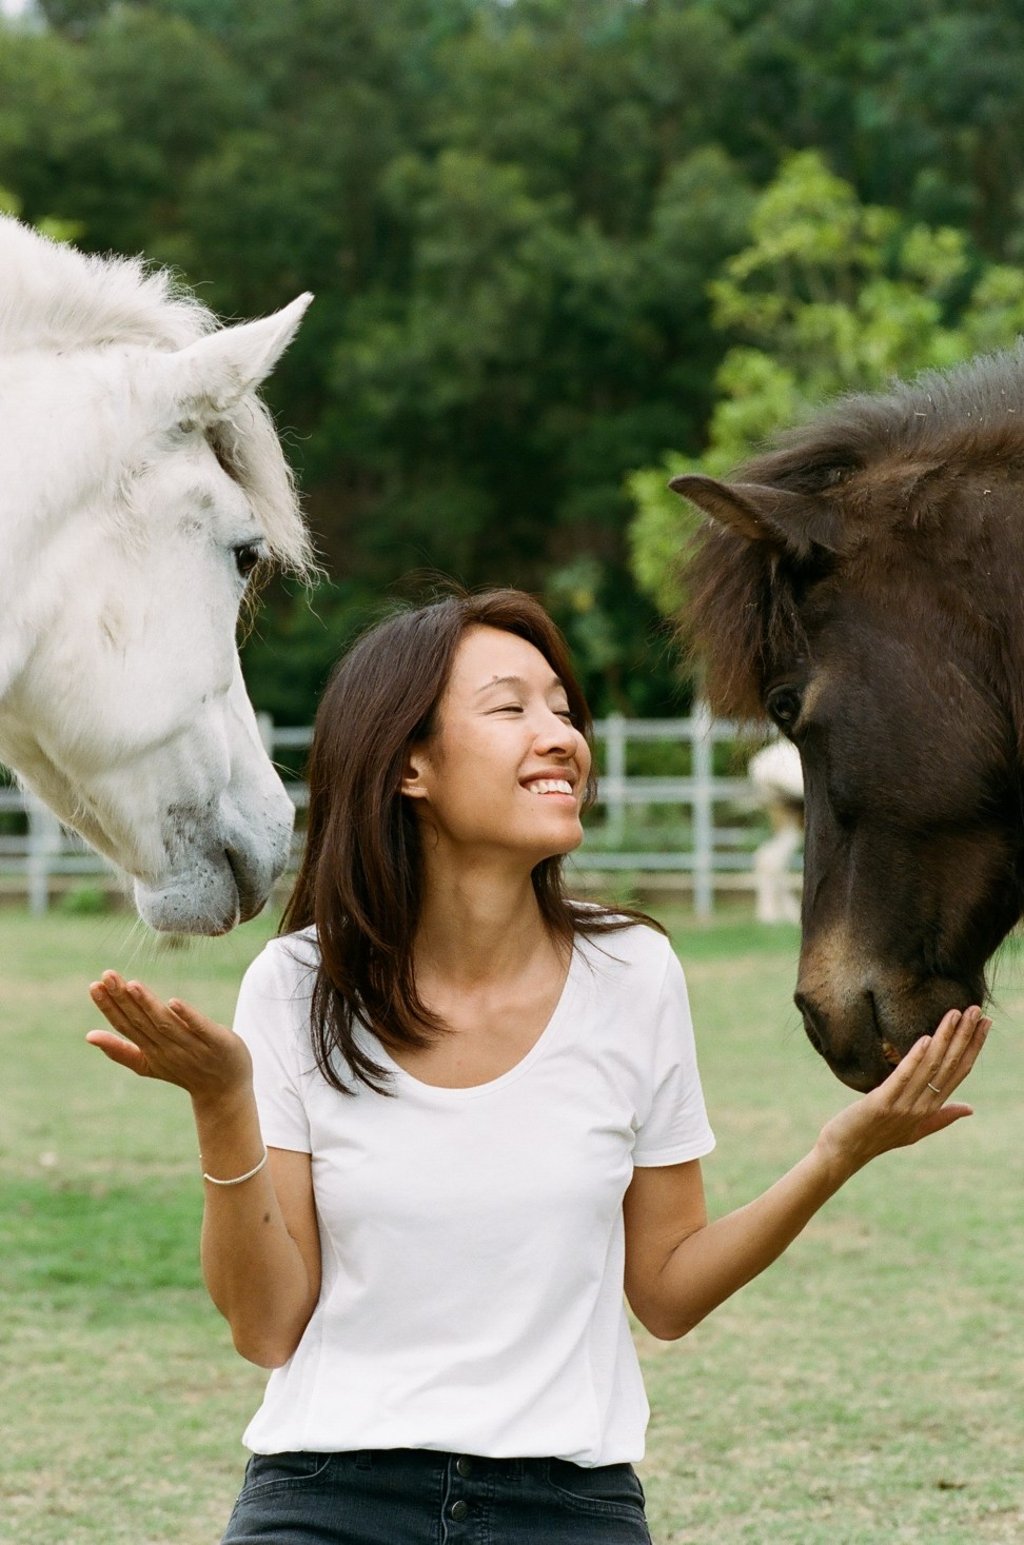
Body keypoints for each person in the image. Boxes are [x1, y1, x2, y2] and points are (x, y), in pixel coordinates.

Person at [86, 588, 989, 1545]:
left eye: (563, 709)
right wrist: (225, 1103)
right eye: (511, 707)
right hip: (325, 1499)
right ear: (409, 764)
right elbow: (266, 1328)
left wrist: (836, 1155)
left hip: (564, 1507)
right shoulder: (298, 984)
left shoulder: (634, 973)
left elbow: (668, 1292)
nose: (561, 735)